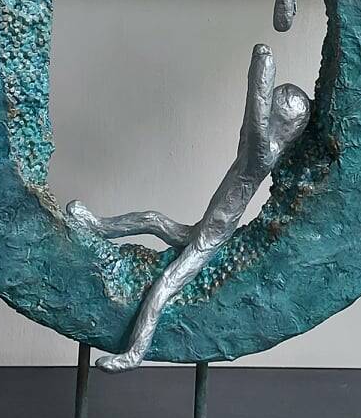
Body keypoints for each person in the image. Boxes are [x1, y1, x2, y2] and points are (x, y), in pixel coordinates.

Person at [67, 44, 311, 372]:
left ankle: (134, 354)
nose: (271, 114)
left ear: (285, 125)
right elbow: (251, 118)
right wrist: (260, 69)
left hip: (210, 239)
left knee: (164, 286)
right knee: (152, 219)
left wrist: (263, 65)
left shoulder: (264, 155)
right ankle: (98, 226)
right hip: (202, 227)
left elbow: (256, 118)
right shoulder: (255, 148)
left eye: (277, 111)